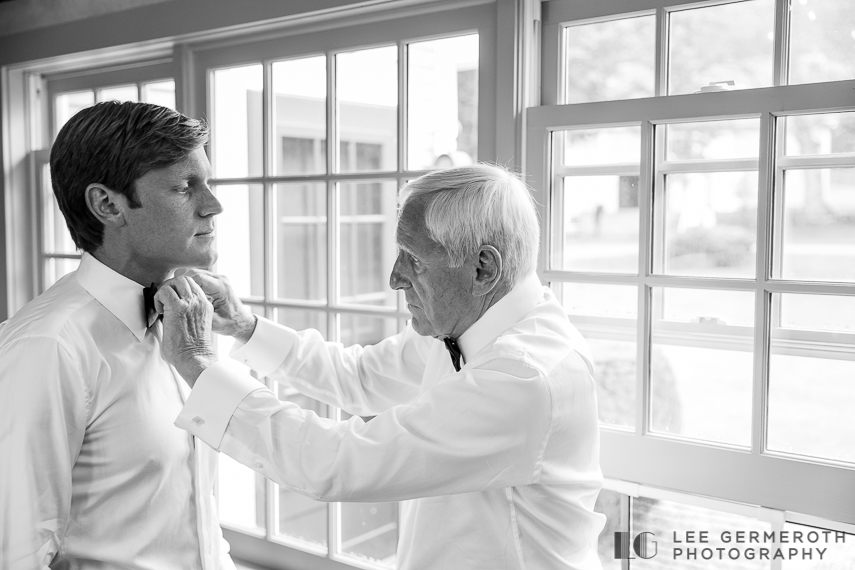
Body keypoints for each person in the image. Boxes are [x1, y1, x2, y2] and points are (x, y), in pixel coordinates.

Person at [159, 164, 605, 569]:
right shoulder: (464, 323)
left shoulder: (523, 378)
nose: (394, 277)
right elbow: (358, 377)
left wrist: (200, 366)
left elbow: (335, 463)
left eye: (413, 258)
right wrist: (244, 326)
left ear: (483, 268)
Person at [0, 101, 235, 569]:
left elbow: (197, 518)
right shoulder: (47, 348)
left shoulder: (189, 321)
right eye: (185, 187)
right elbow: (18, 549)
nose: (214, 205)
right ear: (107, 205)